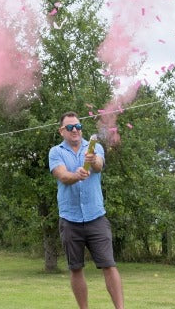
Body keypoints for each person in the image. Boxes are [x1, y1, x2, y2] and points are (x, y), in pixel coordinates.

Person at [48, 111, 124, 309]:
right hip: (70, 220)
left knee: (109, 265)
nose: (75, 131)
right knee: (76, 268)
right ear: (62, 130)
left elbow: (98, 165)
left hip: (96, 217)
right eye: (71, 127)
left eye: (78, 127)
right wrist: (76, 175)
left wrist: (92, 161)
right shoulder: (56, 152)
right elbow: (62, 176)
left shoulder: (94, 147)